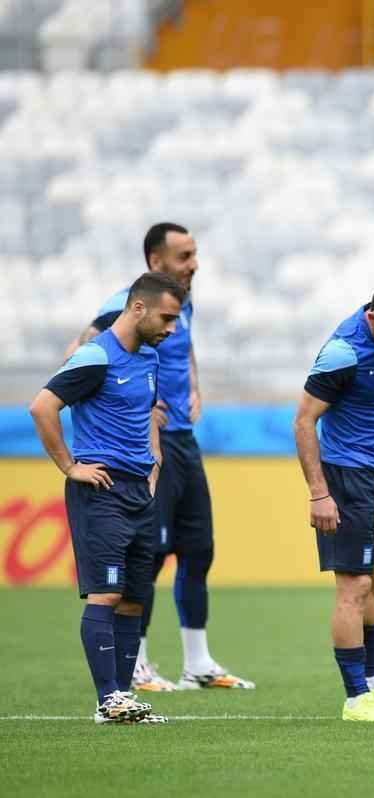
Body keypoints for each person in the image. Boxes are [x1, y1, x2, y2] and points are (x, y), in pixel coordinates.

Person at [65, 222, 253, 692]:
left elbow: (183, 352)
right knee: (147, 556)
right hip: (148, 444)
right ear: (156, 261)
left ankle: (198, 663)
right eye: (185, 255)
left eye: (194, 253)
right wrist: (136, 412)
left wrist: (193, 385)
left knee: (199, 548)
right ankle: (139, 665)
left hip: (183, 440)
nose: (194, 263)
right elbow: (78, 355)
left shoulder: (181, 305)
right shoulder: (124, 305)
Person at [30, 272, 187, 724]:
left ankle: (122, 699)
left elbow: (146, 417)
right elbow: (42, 407)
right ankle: (108, 699)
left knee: (136, 597)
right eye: (167, 318)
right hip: (101, 490)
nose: (172, 329)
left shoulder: (150, 358)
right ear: (138, 308)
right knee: (106, 593)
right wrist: (69, 466)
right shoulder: (95, 356)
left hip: (140, 490)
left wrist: (154, 465)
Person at [294, 276, 374, 722]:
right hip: (343, 474)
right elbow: (303, 422)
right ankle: (355, 698)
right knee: (354, 587)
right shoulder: (342, 352)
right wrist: (319, 494)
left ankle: (373, 681)